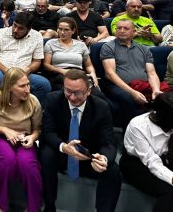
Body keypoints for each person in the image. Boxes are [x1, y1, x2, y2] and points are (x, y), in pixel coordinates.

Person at [40, 69, 122, 212]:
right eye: (68, 91)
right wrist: (64, 147)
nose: (72, 97)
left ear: (88, 91)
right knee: (47, 155)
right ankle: (49, 206)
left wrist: (103, 158)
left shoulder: (102, 107)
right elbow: (48, 132)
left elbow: (108, 142)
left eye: (78, 93)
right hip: (62, 153)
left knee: (112, 170)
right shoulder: (52, 100)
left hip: (88, 155)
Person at [0, 68, 42, 212]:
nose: (27, 89)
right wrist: (4, 129)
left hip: (24, 139)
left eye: (28, 84)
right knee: (6, 162)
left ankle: (32, 208)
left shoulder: (33, 101)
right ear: (9, 87)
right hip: (0, 138)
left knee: (28, 166)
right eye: (22, 86)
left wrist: (32, 138)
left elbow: (37, 129)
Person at [101, 19, 166, 124]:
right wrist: (132, 92)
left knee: (164, 97)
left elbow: (152, 73)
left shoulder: (144, 49)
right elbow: (110, 74)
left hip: (142, 85)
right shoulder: (108, 47)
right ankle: (132, 131)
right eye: (119, 28)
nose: (121, 31)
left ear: (134, 32)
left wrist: (155, 90)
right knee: (128, 98)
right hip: (116, 85)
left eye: (126, 28)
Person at [0, 11, 50, 108]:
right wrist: (7, 71)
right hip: (1, 70)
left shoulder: (37, 37)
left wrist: (27, 70)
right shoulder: (0, 33)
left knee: (44, 85)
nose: (15, 30)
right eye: (14, 25)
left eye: (20, 28)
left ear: (29, 29)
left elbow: (37, 61)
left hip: (23, 73)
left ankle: (28, 113)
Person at [44, 17, 99, 91]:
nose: (62, 32)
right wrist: (63, 71)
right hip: (59, 73)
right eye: (60, 29)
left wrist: (93, 74)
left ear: (73, 31)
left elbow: (88, 65)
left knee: (96, 92)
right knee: (76, 88)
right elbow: (46, 65)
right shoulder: (51, 43)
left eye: (66, 30)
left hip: (78, 72)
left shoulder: (81, 45)